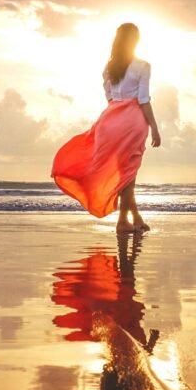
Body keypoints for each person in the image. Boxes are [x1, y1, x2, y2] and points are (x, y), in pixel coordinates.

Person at [52, 22, 161, 233]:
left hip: (110, 121)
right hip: (132, 121)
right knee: (128, 173)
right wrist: (154, 128)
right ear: (136, 40)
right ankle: (124, 221)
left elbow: (109, 96)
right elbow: (144, 100)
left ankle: (134, 218)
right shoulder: (143, 66)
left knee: (124, 172)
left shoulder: (109, 67)